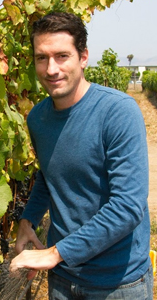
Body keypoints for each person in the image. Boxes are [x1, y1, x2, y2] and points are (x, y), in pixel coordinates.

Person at [9, 12, 153, 299]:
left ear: (83, 57)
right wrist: (28, 220)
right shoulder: (38, 118)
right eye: (41, 58)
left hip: (117, 283)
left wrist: (54, 252)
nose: (51, 69)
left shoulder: (118, 112)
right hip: (63, 279)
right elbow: (50, 176)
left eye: (62, 56)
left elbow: (128, 206)